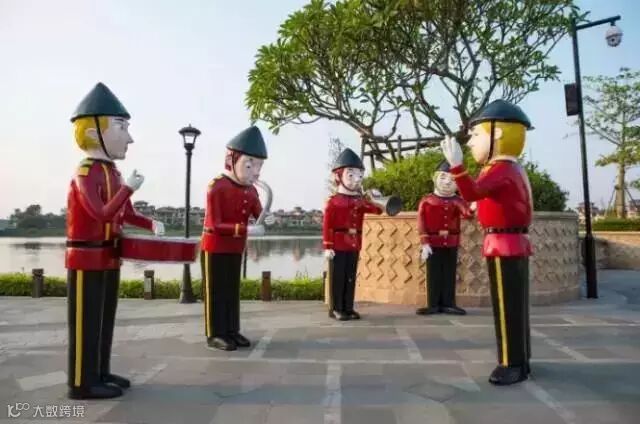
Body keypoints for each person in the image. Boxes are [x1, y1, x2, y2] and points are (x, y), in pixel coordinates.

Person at [66, 82, 165, 399]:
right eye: (121, 127)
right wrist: (129, 189)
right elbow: (101, 213)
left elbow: (126, 213)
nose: (129, 138)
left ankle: (101, 371)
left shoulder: (113, 172)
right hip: (86, 257)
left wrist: (150, 223)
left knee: (104, 319)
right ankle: (82, 382)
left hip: (109, 254)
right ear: (93, 132)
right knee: (86, 321)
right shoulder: (85, 173)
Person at [441, 99, 533, 385]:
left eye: (476, 135)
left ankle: (511, 363)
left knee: (506, 307)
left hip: (505, 243)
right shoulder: (507, 169)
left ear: (498, 134)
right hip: (508, 241)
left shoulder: (501, 169)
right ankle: (521, 358)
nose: (470, 142)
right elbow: (488, 199)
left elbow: (472, 192)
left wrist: (456, 166)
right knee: (515, 306)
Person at [201, 126, 274, 351]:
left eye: (259, 166)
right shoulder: (217, 187)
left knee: (232, 291)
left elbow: (258, 212)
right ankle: (215, 333)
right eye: (250, 165)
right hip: (215, 247)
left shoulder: (251, 191)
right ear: (231, 160)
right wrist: (246, 229)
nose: (256, 172)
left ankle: (232, 329)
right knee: (216, 291)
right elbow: (214, 225)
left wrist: (267, 217)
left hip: (235, 247)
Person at [323, 148, 383, 320]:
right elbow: (327, 225)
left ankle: (348, 307)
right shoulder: (333, 202)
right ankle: (336, 308)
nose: (356, 179)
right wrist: (328, 246)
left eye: (359, 175)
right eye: (351, 175)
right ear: (338, 176)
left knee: (350, 277)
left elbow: (377, 210)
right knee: (338, 277)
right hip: (338, 243)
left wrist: (376, 199)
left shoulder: (360, 201)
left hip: (354, 242)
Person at [416, 161, 473, 316]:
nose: (447, 182)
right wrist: (424, 242)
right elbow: (421, 222)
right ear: (435, 178)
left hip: (451, 242)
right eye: (443, 177)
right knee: (433, 273)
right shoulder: (427, 200)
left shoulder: (457, 200)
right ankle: (433, 304)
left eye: (453, 179)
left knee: (449, 273)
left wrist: (475, 205)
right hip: (433, 243)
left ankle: (449, 303)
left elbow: (467, 213)